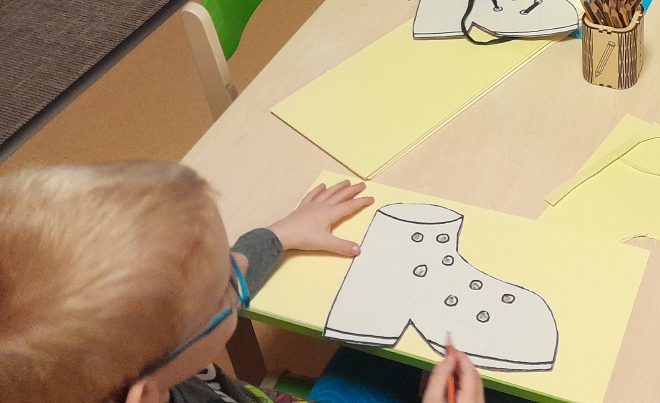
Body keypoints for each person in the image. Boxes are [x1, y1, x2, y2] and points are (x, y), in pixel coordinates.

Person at [0, 162, 482, 403]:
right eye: (230, 286)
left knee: (380, 346)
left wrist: (279, 234)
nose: (240, 266)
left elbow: (191, 285)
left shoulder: (111, 367)